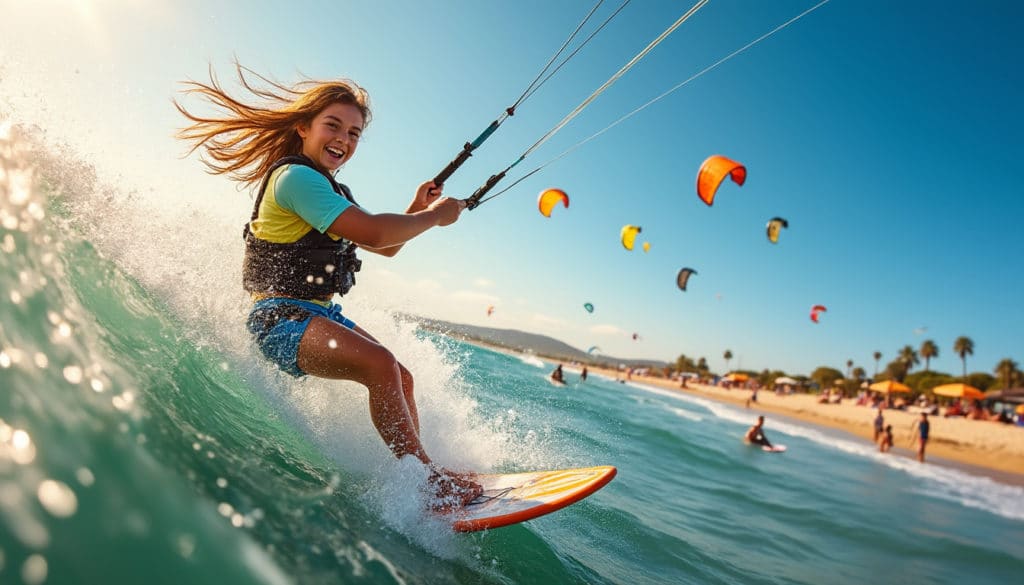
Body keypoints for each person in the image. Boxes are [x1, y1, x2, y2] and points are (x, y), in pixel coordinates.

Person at [175, 64, 481, 506]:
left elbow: (385, 247)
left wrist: (417, 206)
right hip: (278, 321)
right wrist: (435, 216)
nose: (344, 139)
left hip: (317, 315)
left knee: (402, 376)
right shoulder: (296, 178)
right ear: (303, 127)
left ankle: (422, 470)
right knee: (379, 365)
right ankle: (428, 484)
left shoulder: (333, 189)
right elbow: (376, 232)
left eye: (354, 133)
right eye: (333, 126)